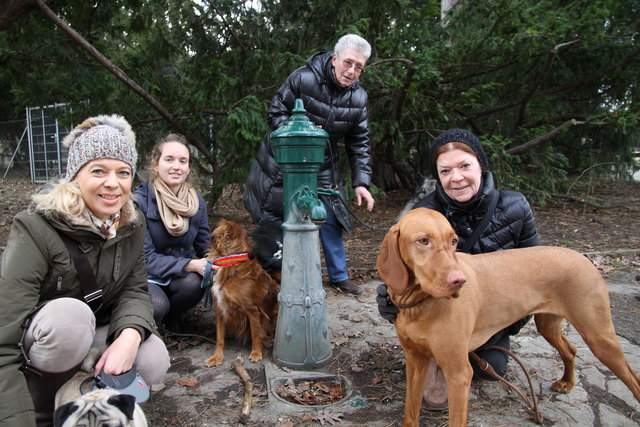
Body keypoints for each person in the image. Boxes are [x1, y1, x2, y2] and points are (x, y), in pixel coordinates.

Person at [0, 114, 171, 427]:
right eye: (98, 170)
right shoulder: (35, 227)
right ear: (75, 176)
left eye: (123, 172)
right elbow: (3, 339)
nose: (112, 183)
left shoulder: (131, 223)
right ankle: (43, 408)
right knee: (70, 319)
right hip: (42, 339)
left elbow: (135, 289)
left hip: (94, 329)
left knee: (153, 357)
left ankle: (91, 402)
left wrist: (130, 334)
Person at [376, 128, 540, 410]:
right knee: (440, 368)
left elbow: (533, 270)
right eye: (445, 171)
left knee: (493, 369)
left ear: (481, 166)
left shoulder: (515, 205)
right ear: (437, 176)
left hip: (492, 308)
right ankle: (434, 357)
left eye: (465, 166)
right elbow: (401, 263)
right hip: (439, 310)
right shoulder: (424, 212)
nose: (457, 178)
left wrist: (506, 322)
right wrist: (392, 296)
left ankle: (458, 351)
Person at [243, 33, 375, 295]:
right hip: (284, 158)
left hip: (323, 163)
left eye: (358, 67)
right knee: (275, 215)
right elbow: (276, 112)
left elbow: (359, 142)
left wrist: (362, 182)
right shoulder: (303, 78)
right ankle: (272, 274)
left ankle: (338, 275)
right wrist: (300, 132)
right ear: (335, 58)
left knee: (330, 215)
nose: (351, 71)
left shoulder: (358, 97)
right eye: (347, 63)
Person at [134, 134, 217, 334]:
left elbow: (203, 243)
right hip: (146, 275)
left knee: (194, 284)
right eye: (169, 159)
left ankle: (173, 320)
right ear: (156, 165)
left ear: (188, 168)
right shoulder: (139, 202)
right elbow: (144, 259)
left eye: (183, 161)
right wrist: (190, 264)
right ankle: (146, 327)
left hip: (177, 273)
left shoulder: (196, 202)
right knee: (158, 305)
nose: (176, 167)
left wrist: (217, 260)